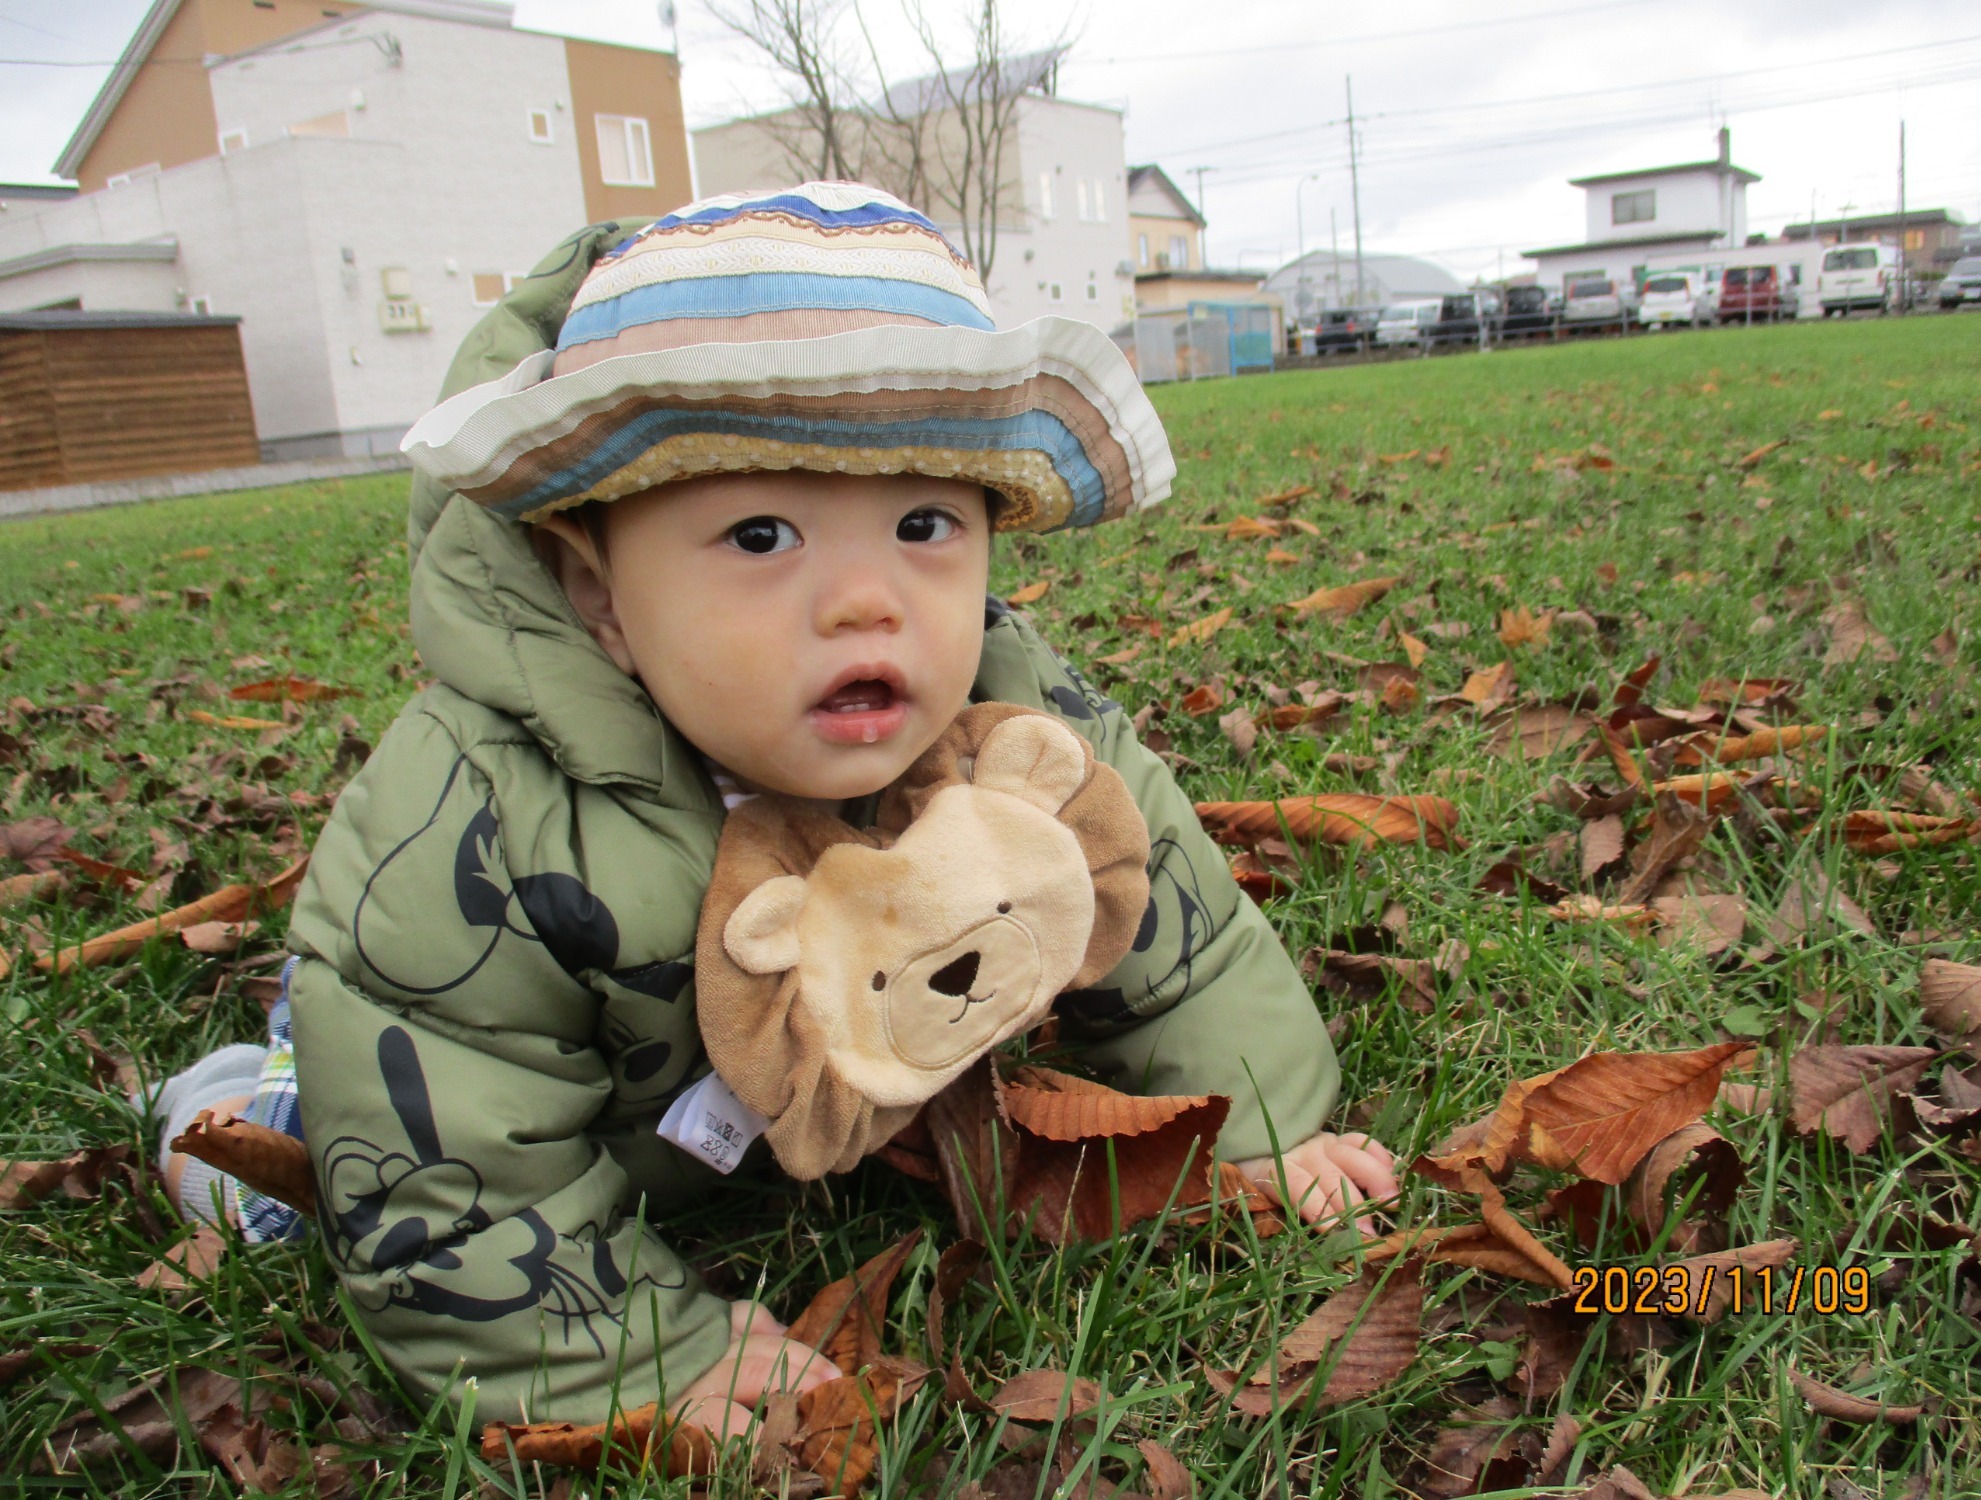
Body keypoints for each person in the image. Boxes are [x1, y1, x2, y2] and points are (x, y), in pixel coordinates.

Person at [147, 183, 1399, 1447]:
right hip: (441, 1069)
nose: (865, 600)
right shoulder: (485, 814)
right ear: (599, 596)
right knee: (295, 1172)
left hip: (801, 1065)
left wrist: (1253, 1121)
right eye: (759, 534)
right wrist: (627, 1355)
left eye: (922, 525)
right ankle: (232, 1099)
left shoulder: (1017, 720)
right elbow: (448, 1152)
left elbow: (1163, 919)